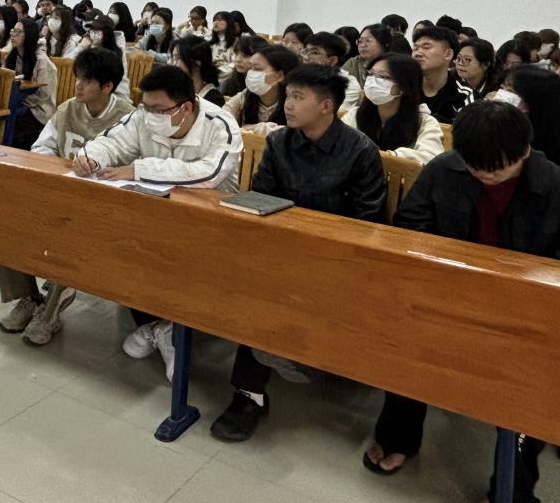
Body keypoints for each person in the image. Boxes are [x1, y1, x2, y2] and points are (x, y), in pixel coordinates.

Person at [363, 101, 560, 500]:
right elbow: (410, 226)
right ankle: (398, 434)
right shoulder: (445, 169)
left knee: (536, 386)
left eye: (498, 167)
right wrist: (451, 270)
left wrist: (524, 286)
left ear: (525, 150)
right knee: (406, 343)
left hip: (530, 310)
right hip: (452, 293)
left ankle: (515, 484)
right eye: (476, 166)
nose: (486, 174)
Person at [210, 65, 386, 442]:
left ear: (326, 106)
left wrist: (316, 251)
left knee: (278, 290)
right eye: (287, 96)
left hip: (336, 257)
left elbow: (367, 222)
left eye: (297, 97)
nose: (287, 105)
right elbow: (260, 198)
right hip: (281, 249)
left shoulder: (359, 151)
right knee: (252, 280)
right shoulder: (279, 142)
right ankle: (254, 387)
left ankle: (281, 368)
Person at [75, 64, 243, 380]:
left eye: (158, 109)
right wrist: (91, 157)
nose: (149, 115)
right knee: (127, 245)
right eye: (146, 107)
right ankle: (162, 326)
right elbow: (110, 141)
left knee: (178, 259)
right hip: (156, 213)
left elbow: (208, 173)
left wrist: (139, 169)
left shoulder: (220, 124)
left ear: (186, 108)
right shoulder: (143, 116)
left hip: (210, 220)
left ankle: (172, 328)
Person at [0, 48, 133, 346]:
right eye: (77, 78)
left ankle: (50, 312)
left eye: (86, 80)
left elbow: (132, 169)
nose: (77, 86)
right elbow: (41, 147)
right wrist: (58, 167)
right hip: (60, 192)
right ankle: (28, 298)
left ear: (107, 86)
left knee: (69, 234)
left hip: (101, 206)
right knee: (4, 222)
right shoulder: (68, 108)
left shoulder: (127, 118)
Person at [498, 65, 560, 189]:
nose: (501, 96)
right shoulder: (495, 123)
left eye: (510, 91)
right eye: (502, 88)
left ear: (534, 100)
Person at [341, 54, 444, 163]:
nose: (372, 81)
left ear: (403, 87)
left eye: (382, 76)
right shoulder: (355, 114)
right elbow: (337, 143)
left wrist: (391, 157)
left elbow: (431, 158)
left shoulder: (425, 123)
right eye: (370, 74)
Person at [5, 17, 58, 148]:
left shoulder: (42, 61)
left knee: (11, 126)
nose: (13, 35)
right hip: (18, 104)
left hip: (39, 110)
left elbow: (44, 95)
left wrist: (18, 99)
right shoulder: (13, 57)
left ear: (29, 35)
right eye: (12, 31)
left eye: (18, 32)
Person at [225, 43, 300, 133]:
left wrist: (256, 128)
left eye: (257, 69)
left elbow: (294, 133)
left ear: (279, 76)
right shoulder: (246, 95)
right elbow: (223, 115)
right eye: (250, 68)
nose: (251, 73)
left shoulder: (294, 101)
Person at [412, 26, 475, 123]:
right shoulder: (403, 88)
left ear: (448, 54)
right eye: (415, 48)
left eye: (426, 47)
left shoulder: (464, 96)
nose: (417, 53)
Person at [70, 14, 129, 101]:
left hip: (114, 94)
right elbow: (68, 61)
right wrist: (82, 46)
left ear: (107, 33)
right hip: (88, 92)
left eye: (98, 30)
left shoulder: (117, 53)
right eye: (92, 30)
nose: (94, 33)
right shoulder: (87, 48)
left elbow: (121, 80)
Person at [302, 31, 362, 110]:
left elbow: (337, 114)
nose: (306, 57)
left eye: (314, 52)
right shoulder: (299, 79)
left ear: (332, 60)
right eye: (306, 51)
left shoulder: (348, 84)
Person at [172, 36, 227, 107]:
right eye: (173, 58)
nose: (173, 64)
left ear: (197, 63)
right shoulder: (177, 89)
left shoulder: (214, 99)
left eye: (178, 58)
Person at [220, 34, 261, 98]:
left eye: (245, 56)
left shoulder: (264, 86)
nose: (238, 59)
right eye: (236, 54)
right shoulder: (228, 84)